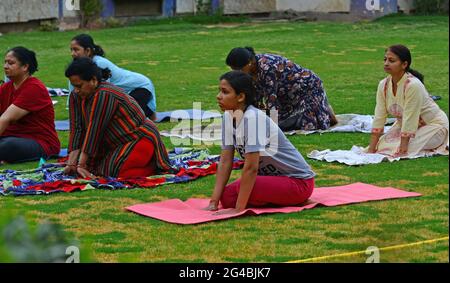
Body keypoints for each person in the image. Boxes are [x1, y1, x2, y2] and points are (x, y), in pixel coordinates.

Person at [204, 71, 315, 215]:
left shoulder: (253, 119)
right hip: (272, 179)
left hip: (298, 183)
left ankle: (295, 198)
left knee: (241, 189)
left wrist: (238, 209)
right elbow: (225, 161)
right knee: (227, 198)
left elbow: (251, 168)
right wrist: (214, 202)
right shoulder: (228, 116)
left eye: (225, 92)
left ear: (241, 97)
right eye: (219, 91)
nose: (218, 96)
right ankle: (280, 199)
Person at [64, 57, 172, 178]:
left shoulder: (104, 94)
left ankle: (153, 166)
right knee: (96, 169)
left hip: (137, 139)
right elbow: (76, 128)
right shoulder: (76, 95)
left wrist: (81, 165)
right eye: (74, 86)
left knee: (114, 173)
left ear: (93, 80)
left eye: (79, 86)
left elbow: (95, 129)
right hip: (113, 144)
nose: (76, 90)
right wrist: (72, 163)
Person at [225, 47, 337, 132]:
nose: (236, 73)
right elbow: (254, 96)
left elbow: (271, 100)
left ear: (249, 63)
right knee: (280, 119)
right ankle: (324, 110)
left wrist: (271, 129)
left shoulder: (267, 68)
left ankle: (326, 113)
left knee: (308, 125)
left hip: (308, 87)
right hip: (287, 93)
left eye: (238, 69)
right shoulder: (251, 70)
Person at [368, 44, 448, 157]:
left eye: (391, 60)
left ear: (404, 64)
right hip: (405, 126)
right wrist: (371, 148)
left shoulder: (413, 85)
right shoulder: (383, 85)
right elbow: (379, 116)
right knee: (382, 147)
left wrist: (403, 149)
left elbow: (411, 116)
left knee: (398, 149)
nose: (386, 63)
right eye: (385, 59)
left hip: (434, 126)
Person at [68, 34, 157, 120]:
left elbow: (106, 93)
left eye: (76, 50)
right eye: (71, 50)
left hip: (141, 86)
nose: (72, 53)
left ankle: (149, 111)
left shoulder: (99, 63)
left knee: (125, 118)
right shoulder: (76, 69)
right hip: (127, 92)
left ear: (88, 51)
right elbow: (73, 94)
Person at [0, 47, 60, 163]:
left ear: (25, 67)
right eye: (5, 62)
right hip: (12, 137)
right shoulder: (6, 88)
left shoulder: (34, 88)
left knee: (8, 145)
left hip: (40, 142)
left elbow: (6, 118)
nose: (5, 66)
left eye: (11, 63)